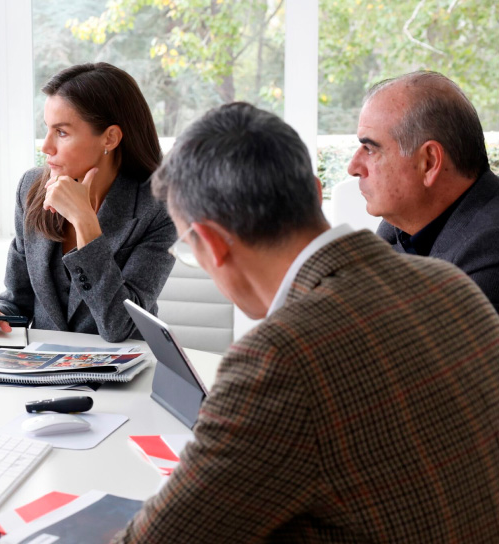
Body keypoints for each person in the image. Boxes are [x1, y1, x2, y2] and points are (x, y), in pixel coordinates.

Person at [114, 103, 499, 542]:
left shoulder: (279, 358)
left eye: (189, 246)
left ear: (213, 244)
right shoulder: (450, 283)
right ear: (314, 192)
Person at [0, 62, 176, 342]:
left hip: (123, 375)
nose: (46, 147)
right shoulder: (32, 189)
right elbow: (19, 301)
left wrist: (85, 223)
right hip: (43, 372)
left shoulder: (160, 208)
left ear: (110, 138)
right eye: (47, 130)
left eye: (62, 132)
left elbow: (119, 327)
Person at [348, 70, 499, 312]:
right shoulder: (400, 226)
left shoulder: (488, 254)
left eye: (370, 148)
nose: (353, 168)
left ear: (428, 162)